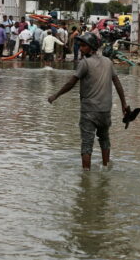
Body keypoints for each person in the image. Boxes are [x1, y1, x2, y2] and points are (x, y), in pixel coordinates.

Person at [48, 33, 129, 171]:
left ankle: (85, 176)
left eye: (83, 46)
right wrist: (123, 104)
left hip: (89, 111)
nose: (80, 48)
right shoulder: (108, 62)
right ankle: (106, 167)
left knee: (87, 144)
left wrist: (56, 95)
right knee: (104, 140)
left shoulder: (84, 63)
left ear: (91, 48)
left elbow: (71, 83)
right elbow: (117, 83)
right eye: (80, 45)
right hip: (105, 110)